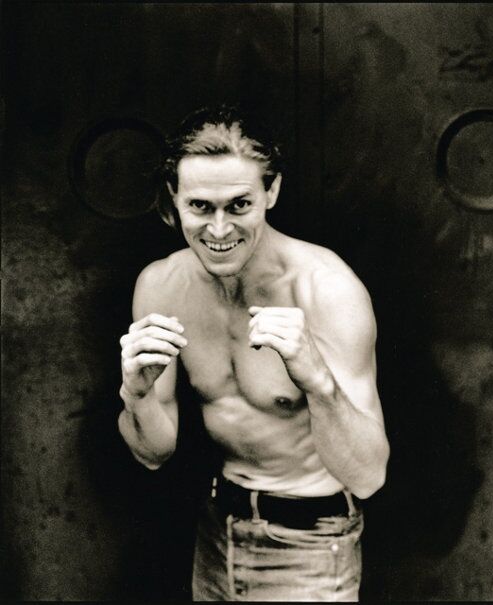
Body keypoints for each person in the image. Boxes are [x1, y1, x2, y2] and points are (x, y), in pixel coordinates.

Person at [117, 104, 389, 601]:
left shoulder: (325, 289)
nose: (220, 230)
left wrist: (316, 379)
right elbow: (154, 454)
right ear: (175, 196)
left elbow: (369, 476)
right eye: (201, 207)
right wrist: (136, 394)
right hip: (216, 532)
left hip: (310, 543)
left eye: (239, 205)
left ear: (272, 191)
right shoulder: (162, 286)